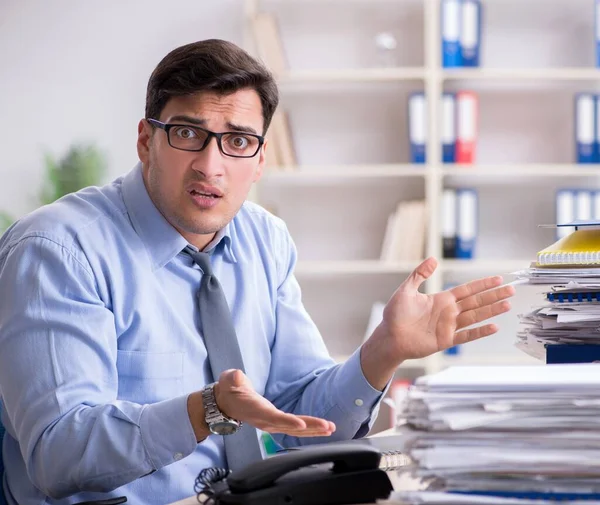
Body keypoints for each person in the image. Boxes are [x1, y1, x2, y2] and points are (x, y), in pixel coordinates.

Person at [0, 39, 515, 505]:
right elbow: (58, 453)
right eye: (187, 133)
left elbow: (300, 420)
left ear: (261, 157)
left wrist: (384, 350)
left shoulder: (264, 238)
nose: (210, 165)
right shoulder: (57, 250)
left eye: (238, 141)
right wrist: (206, 410)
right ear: (145, 140)